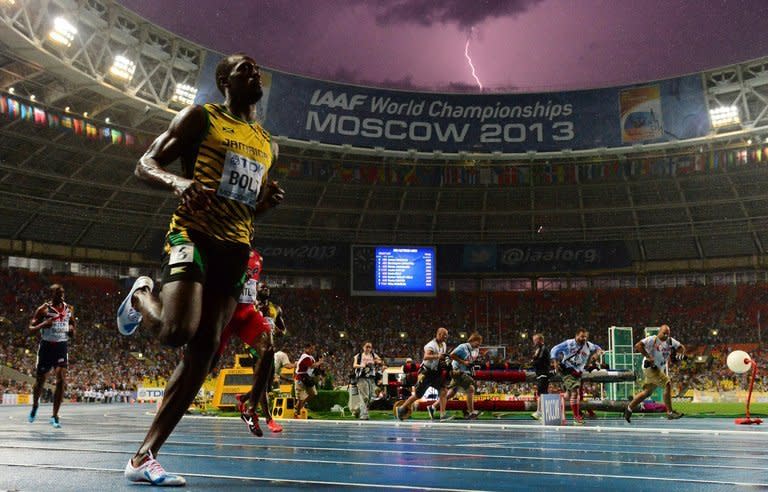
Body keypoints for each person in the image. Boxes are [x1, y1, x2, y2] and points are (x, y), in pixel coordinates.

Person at [116, 52, 284, 486]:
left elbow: (242, 206)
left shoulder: (269, 144)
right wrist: (179, 182)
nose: (254, 71)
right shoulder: (200, 118)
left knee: (204, 353)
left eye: (256, 66)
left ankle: (143, 458)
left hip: (236, 250)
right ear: (225, 80)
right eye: (243, 68)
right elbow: (145, 163)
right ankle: (140, 295)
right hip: (192, 236)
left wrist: (262, 205)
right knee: (176, 332)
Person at [212, 249, 282, 436]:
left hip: (247, 315)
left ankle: (251, 411)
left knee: (268, 353)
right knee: (205, 365)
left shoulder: (257, 258)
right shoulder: (221, 250)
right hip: (224, 315)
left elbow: (283, 329)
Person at [28, 284, 75, 429]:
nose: (62, 295)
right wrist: (43, 324)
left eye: (63, 293)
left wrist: (72, 330)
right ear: (51, 294)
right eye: (58, 293)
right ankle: (35, 405)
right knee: (40, 380)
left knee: (61, 379)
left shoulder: (69, 309)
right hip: (46, 346)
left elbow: (73, 326)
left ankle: (55, 416)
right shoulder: (43, 309)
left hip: (61, 346)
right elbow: (30, 329)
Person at [624, 324, 685, 423]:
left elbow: (681, 347)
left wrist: (680, 353)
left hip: (658, 369)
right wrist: (648, 356)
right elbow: (638, 345)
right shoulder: (652, 339)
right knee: (667, 384)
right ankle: (670, 413)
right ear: (659, 332)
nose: (666, 335)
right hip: (650, 368)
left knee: (647, 392)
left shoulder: (670, 341)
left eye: (667, 334)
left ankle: (629, 409)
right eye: (664, 333)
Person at [550, 328, 603, 425]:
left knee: (569, 395)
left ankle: (557, 398)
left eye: (585, 337)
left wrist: (596, 354)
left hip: (578, 373)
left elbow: (598, 348)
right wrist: (555, 362)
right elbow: (554, 349)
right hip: (567, 370)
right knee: (575, 392)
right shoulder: (569, 343)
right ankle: (576, 418)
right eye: (582, 336)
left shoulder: (588, 345)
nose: (584, 338)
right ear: (576, 336)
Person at [396, 327, 450, 421]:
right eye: (444, 335)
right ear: (439, 334)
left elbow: (441, 358)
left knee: (443, 390)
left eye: (447, 335)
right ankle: (401, 408)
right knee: (418, 395)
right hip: (426, 373)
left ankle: (442, 415)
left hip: (436, 373)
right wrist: (438, 356)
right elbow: (425, 357)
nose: (446, 337)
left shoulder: (443, 345)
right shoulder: (431, 345)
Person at [430, 332, 482, 420]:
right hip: (457, 371)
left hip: (465, 372)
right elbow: (452, 355)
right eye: (478, 342)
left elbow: (470, 360)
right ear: (472, 340)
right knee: (470, 389)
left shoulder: (476, 350)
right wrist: (464, 362)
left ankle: (433, 407)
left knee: (451, 393)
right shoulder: (463, 347)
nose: (479, 345)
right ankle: (471, 412)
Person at [352, 342, 386, 420]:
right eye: (366, 347)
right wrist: (362, 365)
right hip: (362, 377)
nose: (368, 349)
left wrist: (380, 363)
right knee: (365, 397)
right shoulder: (358, 356)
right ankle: (364, 415)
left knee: (372, 396)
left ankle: (357, 409)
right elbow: (354, 365)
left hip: (371, 378)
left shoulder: (374, 355)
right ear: (363, 347)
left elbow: (381, 362)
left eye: (369, 347)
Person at [294, 343, 325, 417]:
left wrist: (319, 364)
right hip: (300, 378)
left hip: (307, 377)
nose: (312, 350)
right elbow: (312, 366)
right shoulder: (305, 357)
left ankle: (299, 406)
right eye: (311, 349)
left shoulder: (310, 357)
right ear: (306, 348)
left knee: (313, 393)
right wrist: (320, 362)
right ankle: (297, 413)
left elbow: (315, 367)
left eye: (313, 349)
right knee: (300, 398)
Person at [530, 333, 550, 420]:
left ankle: (540, 413)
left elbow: (539, 360)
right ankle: (540, 412)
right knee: (541, 394)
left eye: (536, 340)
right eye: (533, 340)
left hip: (543, 373)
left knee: (542, 394)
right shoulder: (539, 349)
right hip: (540, 373)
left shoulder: (543, 348)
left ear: (541, 340)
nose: (534, 342)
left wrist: (531, 363)